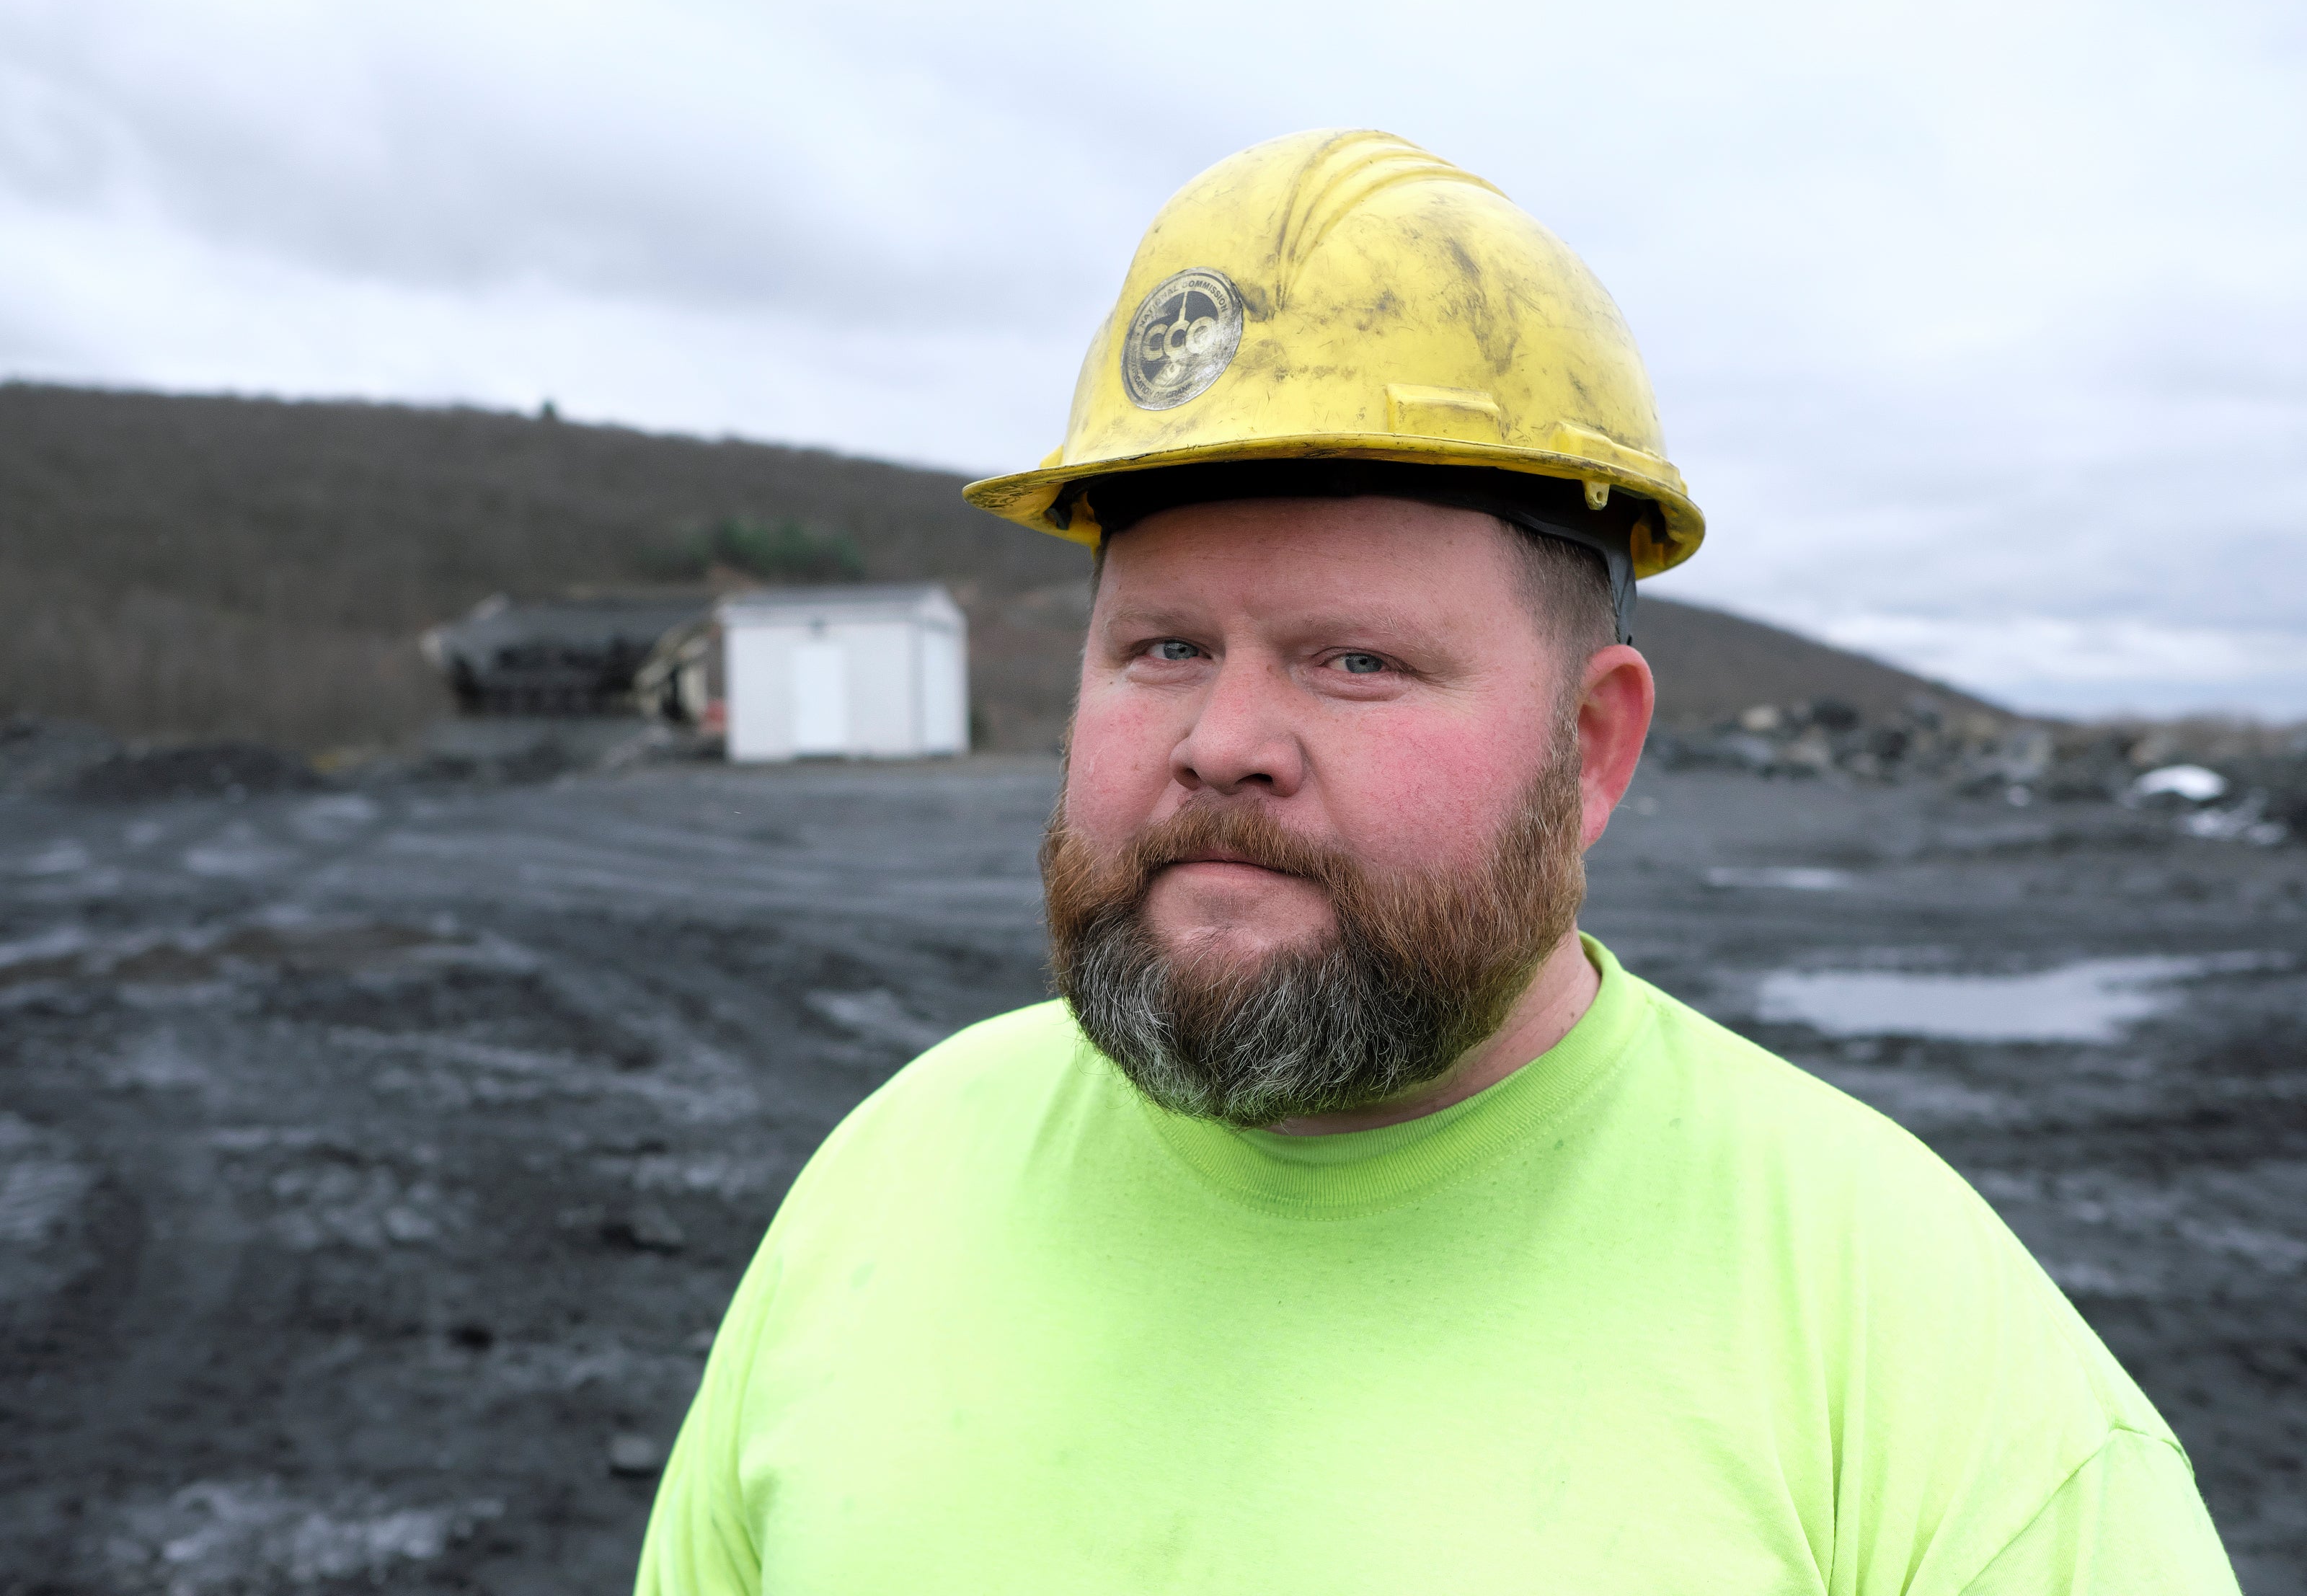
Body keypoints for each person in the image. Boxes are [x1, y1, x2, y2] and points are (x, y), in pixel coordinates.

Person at [637, 130, 2238, 1593]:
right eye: (1164, 644)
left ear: (1593, 747)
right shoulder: (885, 1180)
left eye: (1354, 662)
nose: (1222, 737)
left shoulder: (1915, 1356)